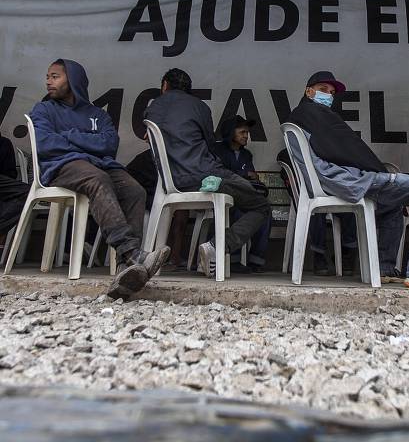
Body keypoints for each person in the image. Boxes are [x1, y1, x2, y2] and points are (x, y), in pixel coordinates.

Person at [287, 71, 409, 289]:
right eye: (323, 90)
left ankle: (384, 268)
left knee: (393, 204)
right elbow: (349, 150)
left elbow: (342, 150)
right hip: (344, 180)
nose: (329, 95)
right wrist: (379, 171)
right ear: (308, 91)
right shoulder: (313, 114)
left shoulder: (302, 115)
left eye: (332, 93)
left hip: (335, 180)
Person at [29, 59, 168, 300]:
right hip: (61, 166)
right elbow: (45, 143)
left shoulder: (97, 115)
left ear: (73, 80)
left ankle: (127, 275)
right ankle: (131, 253)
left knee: (135, 189)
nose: (48, 81)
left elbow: (109, 144)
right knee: (98, 178)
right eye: (48, 76)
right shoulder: (44, 110)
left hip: (99, 164)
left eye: (55, 76)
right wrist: (86, 143)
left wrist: (70, 136)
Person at [144, 68, 271, 277]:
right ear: (189, 89)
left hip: (169, 180)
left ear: (164, 86)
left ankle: (213, 249)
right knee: (261, 205)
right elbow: (211, 146)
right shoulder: (199, 107)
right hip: (202, 177)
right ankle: (217, 246)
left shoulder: (152, 108)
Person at [277, 147, 358, 276]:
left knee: (352, 208)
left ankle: (347, 254)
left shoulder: (328, 150)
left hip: (332, 194)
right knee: (315, 211)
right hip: (310, 199)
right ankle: (319, 256)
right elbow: (285, 165)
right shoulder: (290, 153)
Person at [213, 115, 272, 271]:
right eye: (242, 132)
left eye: (247, 132)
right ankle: (233, 259)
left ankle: (255, 260)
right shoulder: (216, 150)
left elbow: (252, 177)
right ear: (230, 132)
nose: (246, 136)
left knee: (265, 211)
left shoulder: (247, 155)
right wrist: (244, 175)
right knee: (240, 211)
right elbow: (220, 174)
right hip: (222, 198)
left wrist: (253, 178)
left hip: (244, 196)